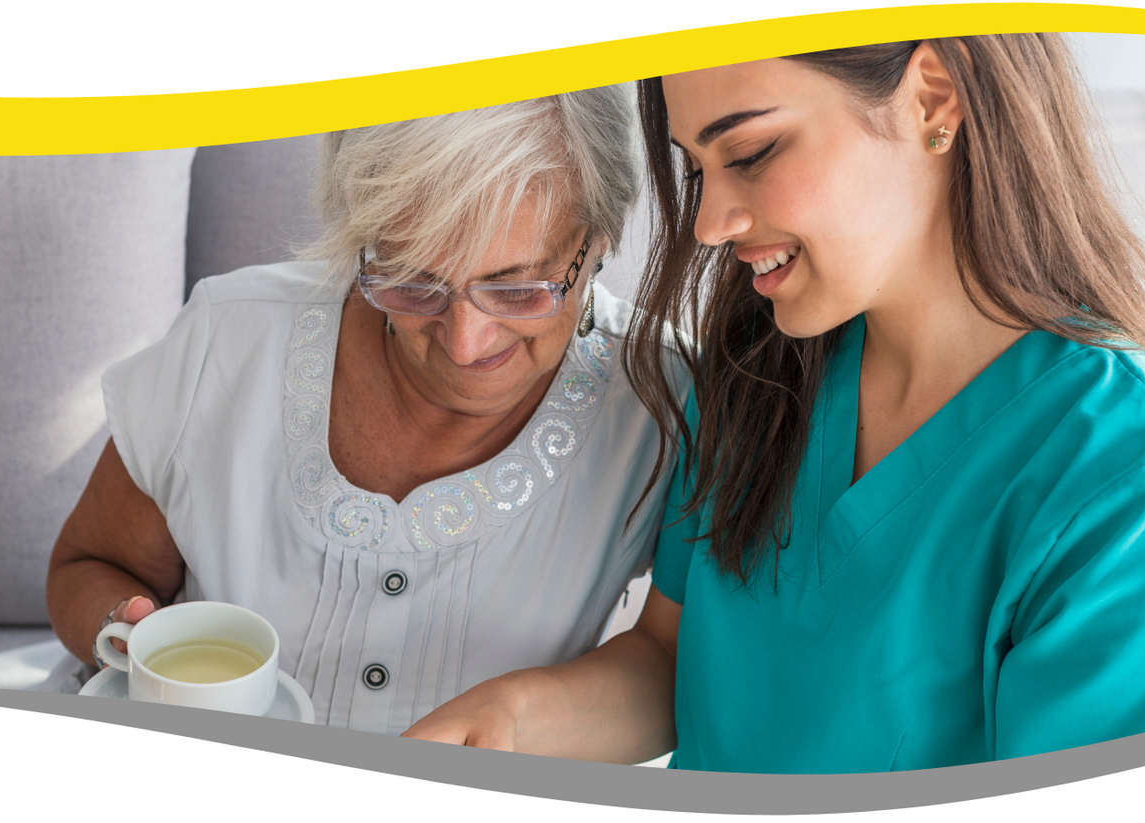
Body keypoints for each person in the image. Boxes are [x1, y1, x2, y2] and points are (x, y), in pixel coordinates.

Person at [402, 35, 1145, 771]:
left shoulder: (1140, 485)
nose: (706, 224)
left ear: (935, 95)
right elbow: (676, 660)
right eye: (698, 168)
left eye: (749, 154)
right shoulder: (760, 372)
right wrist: (500, 724)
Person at [42, 85, 677, 734]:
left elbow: (698, 660)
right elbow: (85, 566)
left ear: (598, 242)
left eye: (516, 288)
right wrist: (128, 632)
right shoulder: (227, 343)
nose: (464, 342)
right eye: (412, 282)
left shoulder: (666, 403)